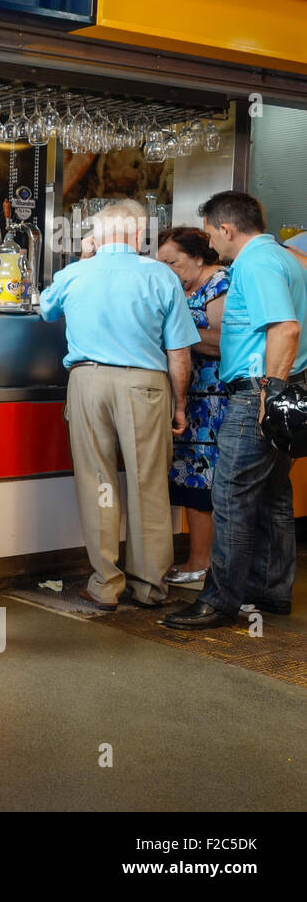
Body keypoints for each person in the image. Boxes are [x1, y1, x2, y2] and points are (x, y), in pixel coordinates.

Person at [40, 200, 199, 610]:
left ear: (95, 235)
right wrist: (179, 404)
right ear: (139, 235)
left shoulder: (74, 273)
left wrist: (82, 258)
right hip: (145, 386)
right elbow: (178, 352)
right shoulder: (161, 276)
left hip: (87, 382)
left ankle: (105, 584)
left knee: (99, 483)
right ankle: (149, 587)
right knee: (149, 484)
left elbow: (45, 310)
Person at [165, 192, 307, 629]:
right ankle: (270, 591)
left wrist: (270, 391)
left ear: (226, 229)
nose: (211, 242)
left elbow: (285, 327)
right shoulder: (285, 257)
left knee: (230, 494)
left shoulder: (255, 263)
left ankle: (219, 601)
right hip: (278, 387)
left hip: (255, 392)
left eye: (211, 233)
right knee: (273, 496)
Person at [155, 227, 229, 585]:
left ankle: (201, 564)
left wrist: (178, 335)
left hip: (214, 402)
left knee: (204, 483)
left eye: (172, 261)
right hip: (191, 399)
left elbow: (225, 342)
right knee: (190, 480)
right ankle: (199, 561)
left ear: (199, 257)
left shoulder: (219, 285)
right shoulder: (183, 288)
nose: (166, 268)